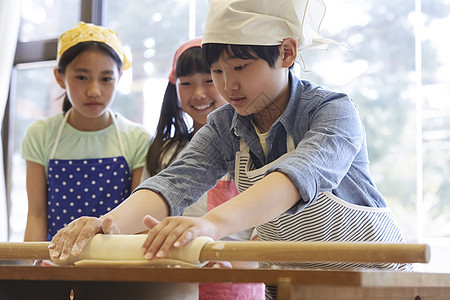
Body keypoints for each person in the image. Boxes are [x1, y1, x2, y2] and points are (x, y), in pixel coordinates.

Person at [50, 1, 411, 298]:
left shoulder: (332, 111)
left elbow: (293, 178)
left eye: (240, 67)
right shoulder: (226, 125)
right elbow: (175, 182)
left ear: (286, 53)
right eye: (218, 70)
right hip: (290, 285)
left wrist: (209, 224)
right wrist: (107, 224)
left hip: (373, 280)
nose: (228, 85)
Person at [143, 37, 264, 300]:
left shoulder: (256, 149)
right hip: (173, 285)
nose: (198, 93)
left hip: (239, 286)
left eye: (209, 80)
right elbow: (145, 224)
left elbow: (265, 230)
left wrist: (230, 262)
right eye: (186, 84)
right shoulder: (162, 153)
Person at [22, 22, 150, 242]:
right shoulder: (40, 134)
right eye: (82, 77)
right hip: (55, 263)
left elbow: (138, 220)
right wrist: (30, 272)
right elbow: (36, 215)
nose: (94, 91)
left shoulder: (137, 138)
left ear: (119, 77)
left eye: (106, 78)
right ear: (60, 77)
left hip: (116, 261)